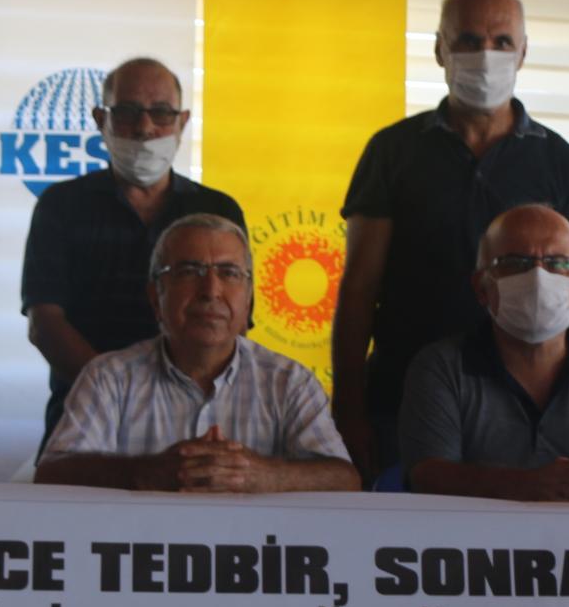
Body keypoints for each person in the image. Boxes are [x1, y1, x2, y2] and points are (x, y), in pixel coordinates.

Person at [334, 0, 569, 478]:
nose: (486, 55)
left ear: (523, 52)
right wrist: (348, 407)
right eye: (469, 41)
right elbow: (359, 288)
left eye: (502, 42)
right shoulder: (392, 151)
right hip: (402, 395)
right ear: (440, 49)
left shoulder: (558, 160)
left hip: (527, 407)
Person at [36, 216, 357, 494]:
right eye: (190, 271)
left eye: (229, 272)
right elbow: (51, 475)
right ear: (156, 296)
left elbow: (345, 480)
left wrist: (262, 475)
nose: (211, 290)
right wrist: (147, 474)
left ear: (248, 299)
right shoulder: (109, 377)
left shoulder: (289, 381)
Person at [18, 58, 243, 437]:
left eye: (161, 113)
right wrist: (118, 395)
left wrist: (171, 401)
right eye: (127, 112)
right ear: (100, 119)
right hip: (86, 414)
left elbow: (234, 323)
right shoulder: (61, 206)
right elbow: (45, 324)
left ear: (182, 122)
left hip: (197, 417)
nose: (144, 127)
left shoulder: (218, 211)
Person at [398, 204, 569, 505]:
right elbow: (426, 476)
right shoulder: (441, 368)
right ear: (481, 288)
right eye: (515, 262)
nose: (538, 277)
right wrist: (526, 486)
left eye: (558, 263)